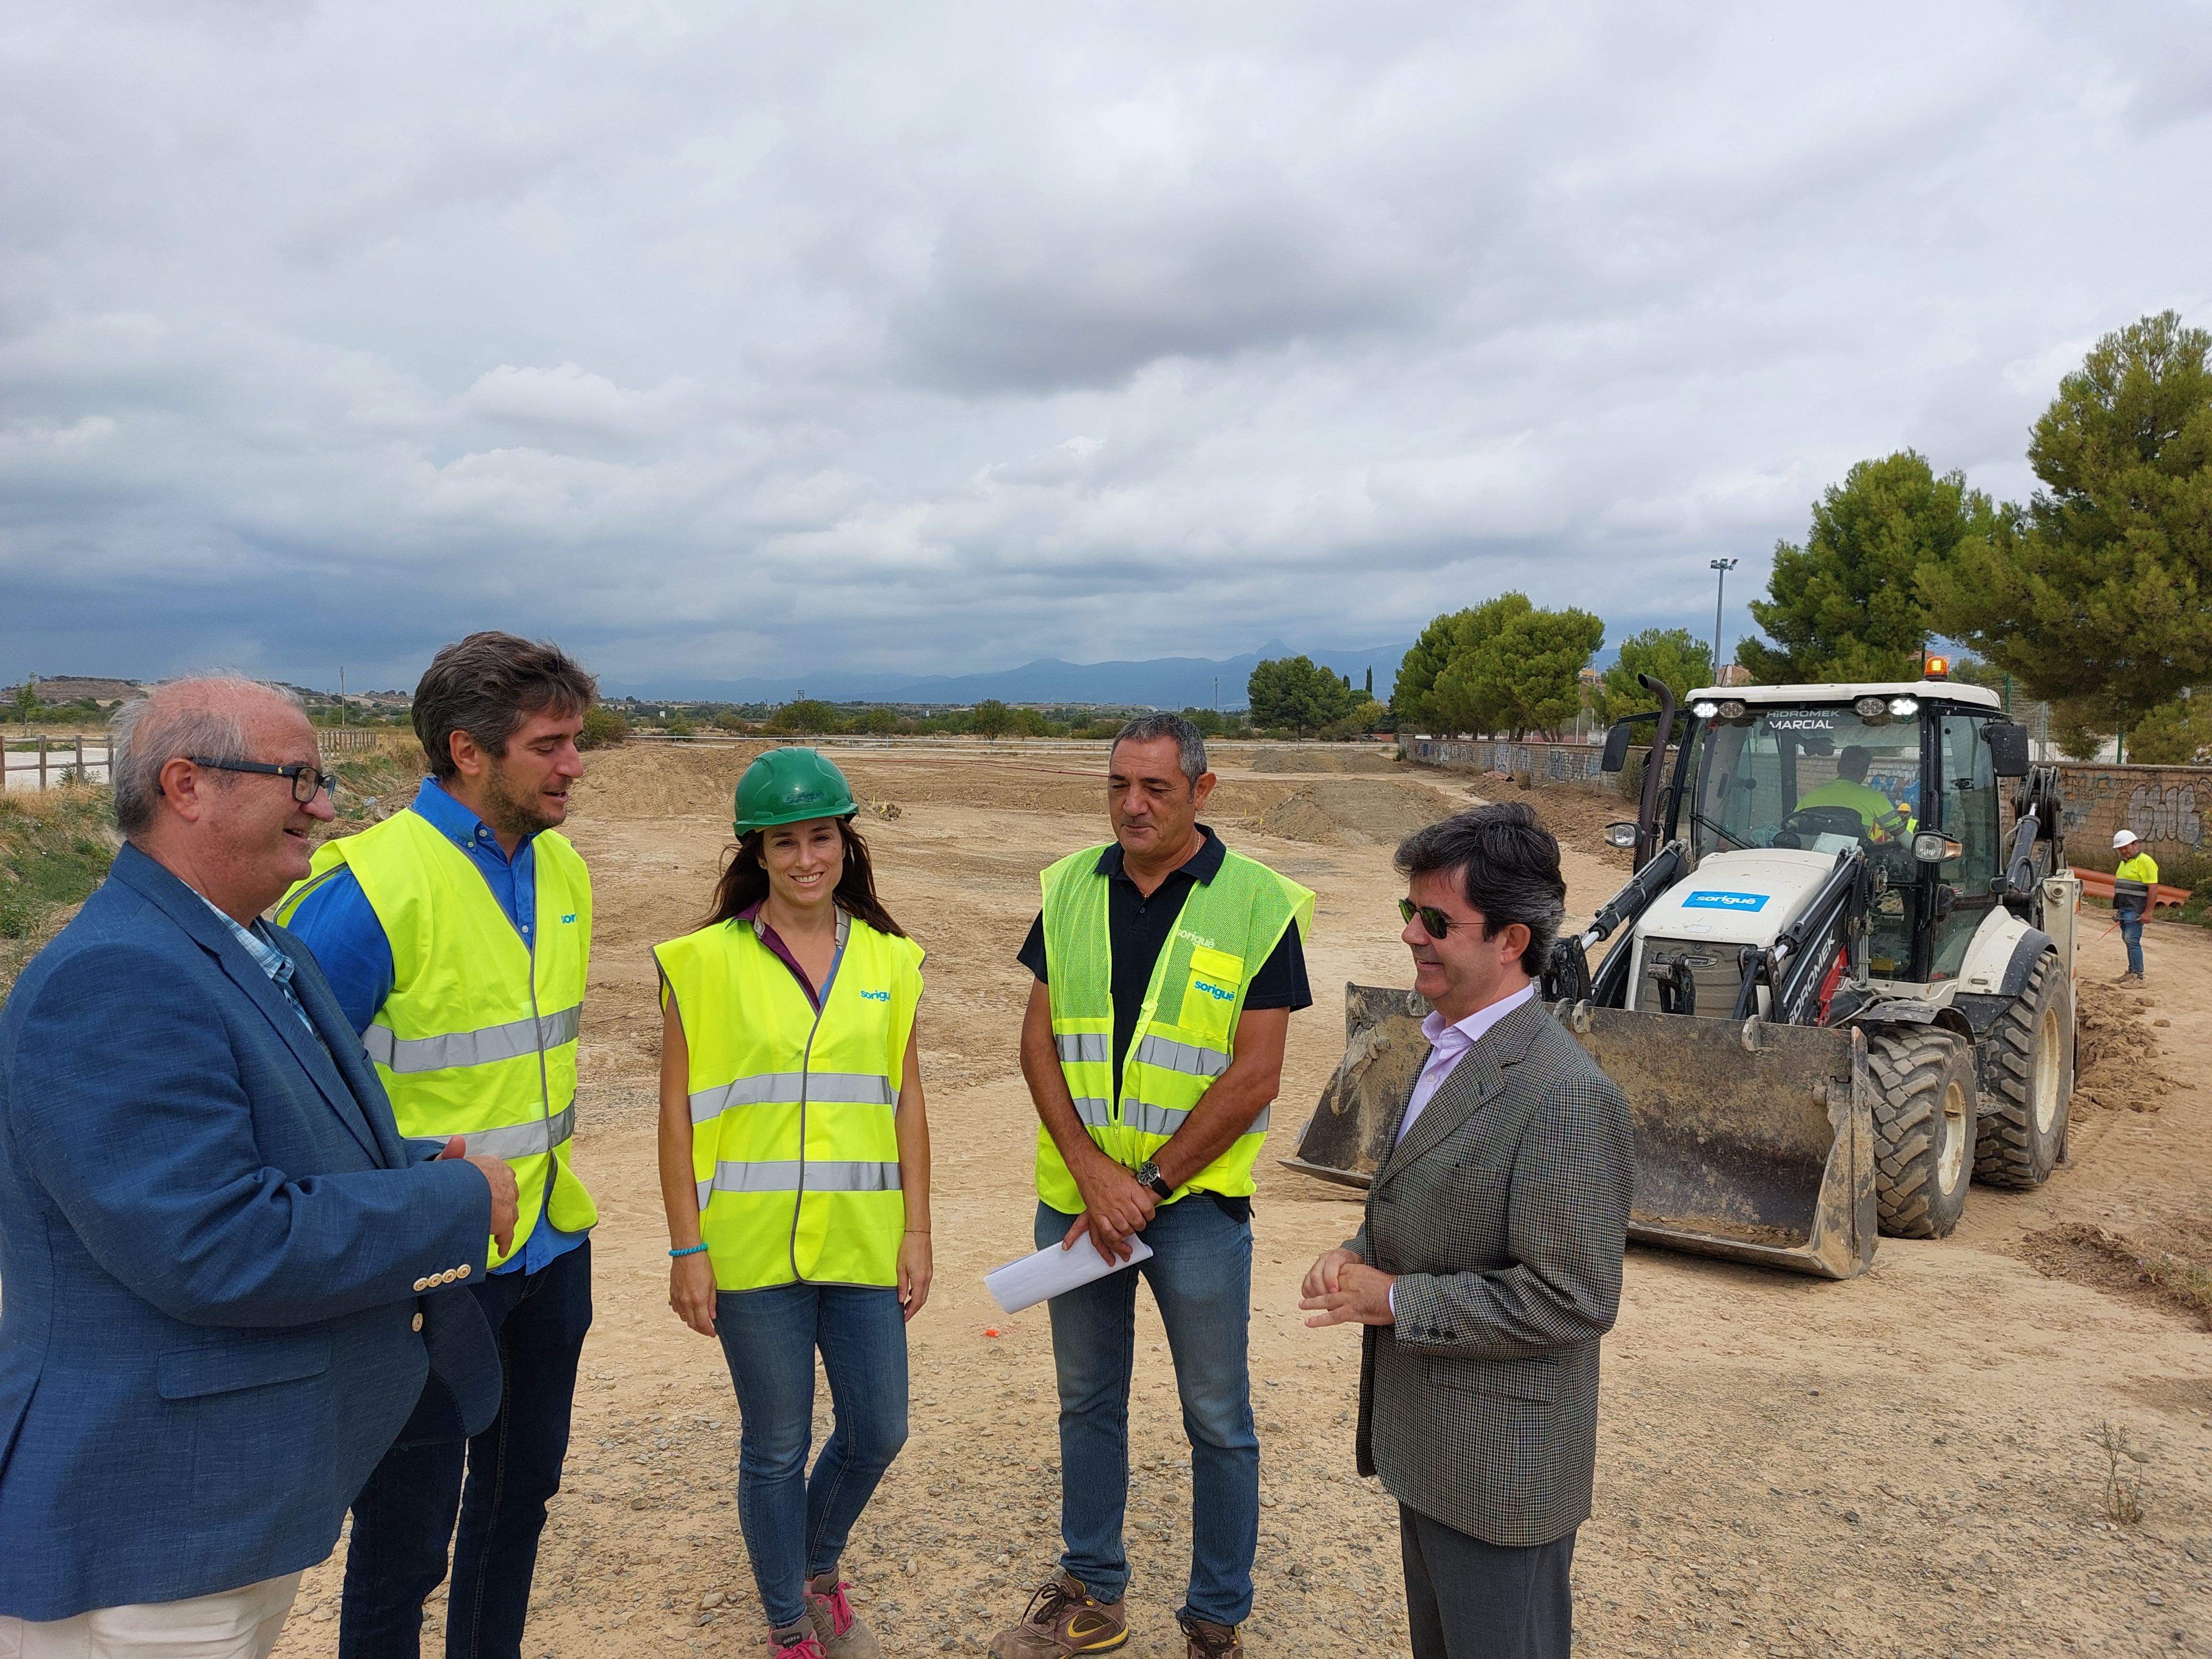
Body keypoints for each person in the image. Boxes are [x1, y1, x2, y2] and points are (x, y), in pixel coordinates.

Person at [0, 678, 512, 1659]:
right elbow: (211, 1243)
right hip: (149, 1533)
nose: (325, 806)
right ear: (187, 786)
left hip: (208, 1513)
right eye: (300, 779)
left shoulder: (240, 943)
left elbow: (256, 1145)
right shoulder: (119, 978)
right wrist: (448, 1200)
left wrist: (402, 1166)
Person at [277, 633, 597, 1659]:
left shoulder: (566, 876)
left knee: (518, 1509)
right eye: (550, 745)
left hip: (547, 1250)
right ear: (468, 750)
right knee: (406, 1540)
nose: (574, 766)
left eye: (575, 742)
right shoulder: (363, 892)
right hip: (427, 1270)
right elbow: (286, 1095)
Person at [991, 714, 1315, 1659]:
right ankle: (1091, 1591)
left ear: (1201, 793)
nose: (1131, 805)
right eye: (1118, 786)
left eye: (1156, 790)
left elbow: (1256, 1074)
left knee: (1216, 1415)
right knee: (1086, 1402)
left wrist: (1150, 1182)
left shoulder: (1255, 903)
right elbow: (1035, 1043)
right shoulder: (1067, 890)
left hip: (1196, 1212)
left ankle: (1215, 1616)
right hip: (1080, 1202)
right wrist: (1095, 1178)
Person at [1300, 805, 1633, 1659]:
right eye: (1408, 912)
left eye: (1436, 920)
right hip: (1434, 1449)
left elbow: (1573, 1298)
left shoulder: (1563, 1095)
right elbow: (1430, 1200)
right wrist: (1359, 1254)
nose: (1411, 933)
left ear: (1510, 939)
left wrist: (1397, 1297)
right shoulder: (1445, 1043)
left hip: (1500, 1469)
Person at [653, 749, 930, 1659]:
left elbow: (905, 1100)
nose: (807, 856)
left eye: (822, 836)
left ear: (845, 843)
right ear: (756, 852)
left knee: (878, 1427)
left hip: (859, 1240)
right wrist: (684, 1249)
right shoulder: (699, 963)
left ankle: (815, 1563)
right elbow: (675, 1121)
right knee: (775, 1444)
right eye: (786, 841)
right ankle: (786, 1620)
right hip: (749, 1250)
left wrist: (917, 1230)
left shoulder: (892, 959)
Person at [1795, 745, 1908, 840]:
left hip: (1810, 862)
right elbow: (1904, 838)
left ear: (1839, 767)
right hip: (1852, 864)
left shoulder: (1812, 795)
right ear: (1864, 772)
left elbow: (1791, 828)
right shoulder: (1876, 799)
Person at [2112, 828, 2159, 985]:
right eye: (2120, 849)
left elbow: (2153, 888)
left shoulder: (2145, 861)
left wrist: (2148, 912)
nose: (2123, 851)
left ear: (2135, 845)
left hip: (2136, 909)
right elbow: (2122, 888)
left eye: (2125, 848)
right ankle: (2132, 971)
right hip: (2125, 909)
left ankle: (2138, 976)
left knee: (2132, 940)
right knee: (2127, 940)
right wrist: (2119, 912)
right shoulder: (2124, 863)